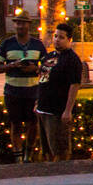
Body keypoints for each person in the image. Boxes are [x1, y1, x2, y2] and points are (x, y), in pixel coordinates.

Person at [0, 12, 47, 162]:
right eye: (17, 23)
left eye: (23, 23)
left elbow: (46, 67)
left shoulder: (38, 45)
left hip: (32, 92)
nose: (20, 26)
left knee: (33, 124)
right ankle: (17, 156)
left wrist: (35, 69)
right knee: (15, 124)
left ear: (29, 25)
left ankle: (28, 155)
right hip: (12, 91)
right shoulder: (7, 44)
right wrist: (12, 65)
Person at [35, 22, 82, 162]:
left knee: (59, 149)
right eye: (55, 36)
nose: (57, 39)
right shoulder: (48, 57)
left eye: (61, 37)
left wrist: (68, 110)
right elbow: (42, 79)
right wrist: (37, 102)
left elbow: (74, 85)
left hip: (57, 111)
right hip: (43, 109)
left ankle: (61, 176)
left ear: (69, 40)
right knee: (46, 150)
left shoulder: (72, 60)